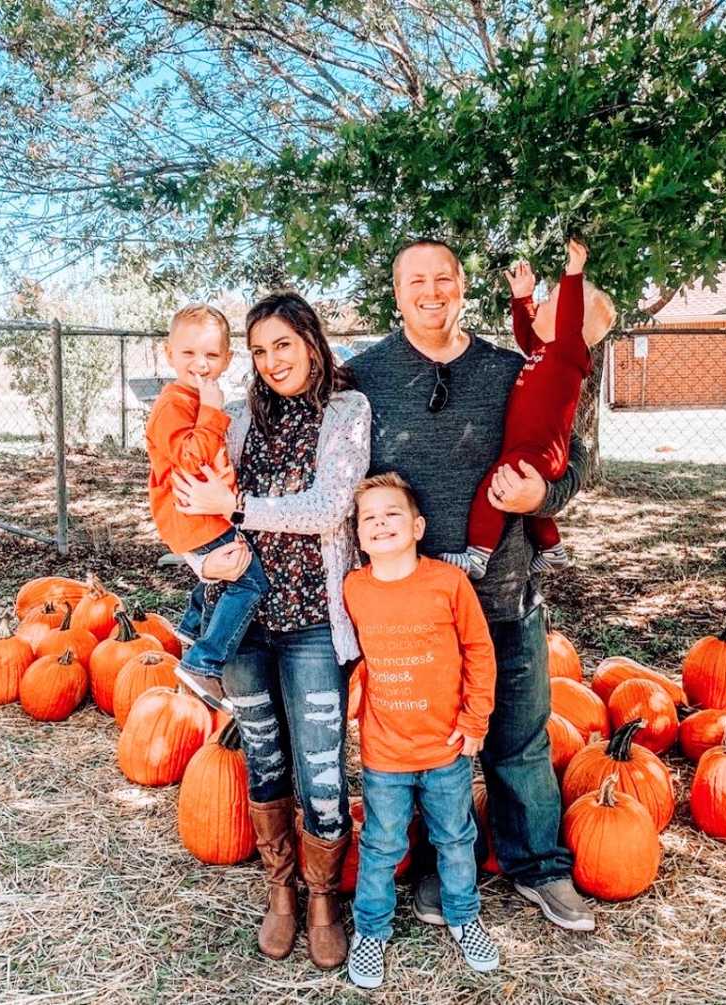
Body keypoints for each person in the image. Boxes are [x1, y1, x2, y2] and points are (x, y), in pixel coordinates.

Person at [347, 239, 595, 932]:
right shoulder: (362, 377)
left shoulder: (511, 369)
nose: (431, 291)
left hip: (504, 592)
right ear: (395, 294)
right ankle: (435, 867)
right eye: (415, 281)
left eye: (443, 278)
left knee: (518, 739)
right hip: (411, 613)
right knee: (427, 747)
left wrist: (543, 493)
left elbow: (573, 464)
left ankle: (538, 866)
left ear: (461, 287)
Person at [171, 291, 371, 968]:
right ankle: (281, 890)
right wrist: (201, 553)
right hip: (247, 619)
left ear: (311, 340)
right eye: (258, 349)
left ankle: (322, 897)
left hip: (315, 621)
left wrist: (236, 504)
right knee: (264, 758)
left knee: (320, 767)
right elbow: (191, 502)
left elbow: (329, 506)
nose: (271, 359)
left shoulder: (347, 408)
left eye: (282, 342)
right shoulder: (237, 421)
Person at [343, 472, 499, 989]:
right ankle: (371, 930)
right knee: (381, 844)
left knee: (455, 837)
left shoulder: (448, 584)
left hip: (446, 747)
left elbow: (479, 650)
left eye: (392, 514)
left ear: (417, 525)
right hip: (385, 751)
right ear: (358, 536)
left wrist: (475, 718)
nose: (380, 523)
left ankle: (463, 916)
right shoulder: (354, 589)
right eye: (369, 518)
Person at [441, 240, 615, 578]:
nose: (542, 303)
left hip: (539, 450)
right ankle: (552, 551)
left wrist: (574, 272)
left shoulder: (568, 353)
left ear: (571, 320)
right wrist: (522, 296)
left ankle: (477, 555)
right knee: (520, 500)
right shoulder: (544, 352)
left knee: (494, 486)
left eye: (550, 300)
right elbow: (525, 332)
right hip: (532, 449)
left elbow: (567, 318)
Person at [145, 303, 269, 715]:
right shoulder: (174, 404)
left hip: (207, 514)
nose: (200, 364)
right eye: (189, 354)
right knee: (249, 581)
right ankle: (204, 662)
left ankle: (190, 627)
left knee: (227, 570)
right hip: (193, 515)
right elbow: (189, 458)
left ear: (228, 359)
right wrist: (213, 411)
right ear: (169, 354)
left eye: (212, 356)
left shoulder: (196, 398)